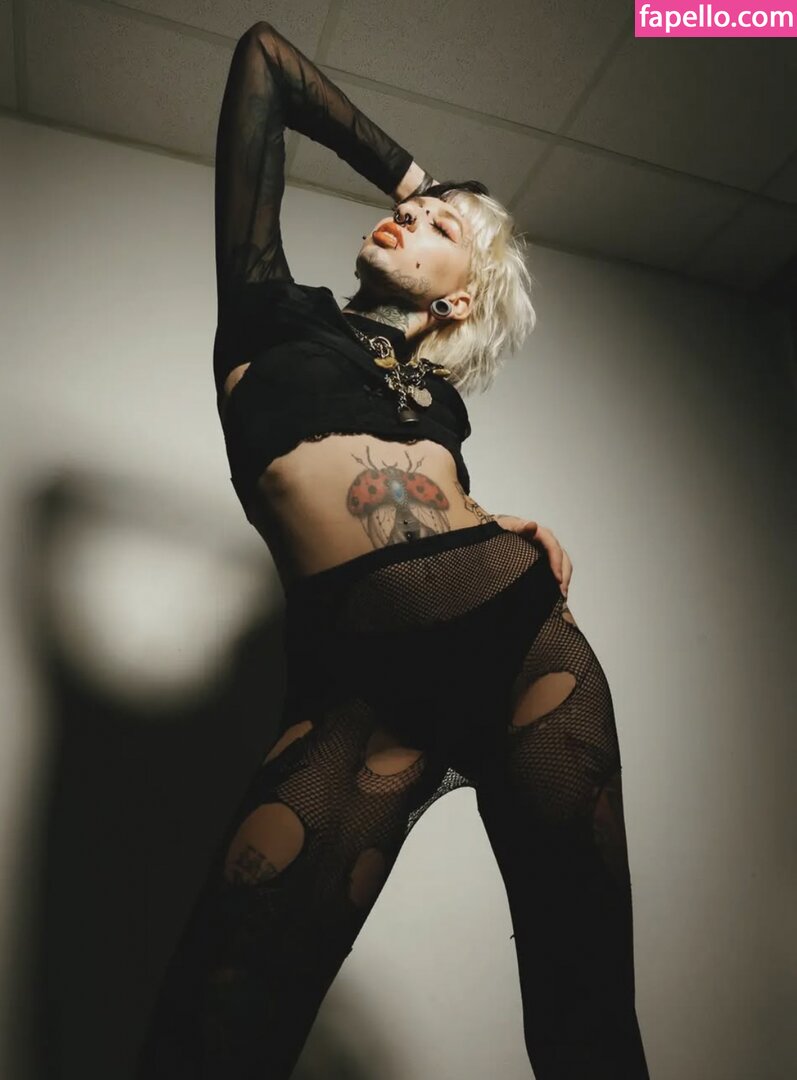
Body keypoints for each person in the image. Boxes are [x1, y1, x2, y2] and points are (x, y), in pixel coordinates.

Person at [134, 20, 650, 1080]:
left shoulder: (440, 402)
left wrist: (496, 520)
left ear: (456, 299)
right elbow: (265, 61)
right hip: (354, 685)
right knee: (220, 1013)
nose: (410, 218)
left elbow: (419, 503)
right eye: (413, 211)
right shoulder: (270, 308)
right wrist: (419, 180)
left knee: (586, 1008)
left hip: (525, 653)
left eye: (441, 228)